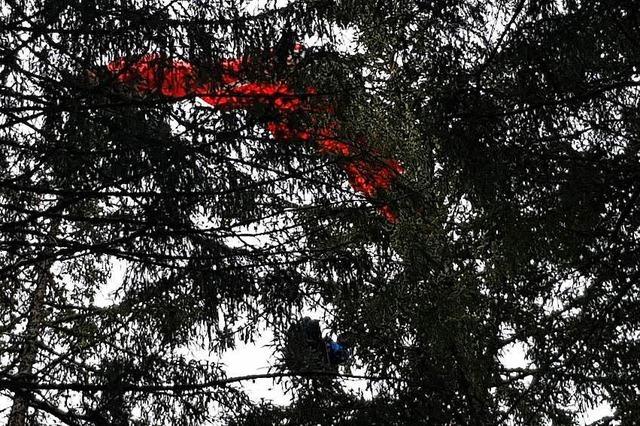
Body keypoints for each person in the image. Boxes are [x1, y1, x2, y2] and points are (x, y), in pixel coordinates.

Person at [284, 317, 351, 372]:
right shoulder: (334, 343)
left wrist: (327, 347)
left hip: (321, 355)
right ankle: (297, 337)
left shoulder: (344, 351)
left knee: (313, 324)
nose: (341, 336)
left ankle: (300, 340)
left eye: (344, 337)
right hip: (318, 347)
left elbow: (335, 358)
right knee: (307, 321)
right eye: (343, 335)